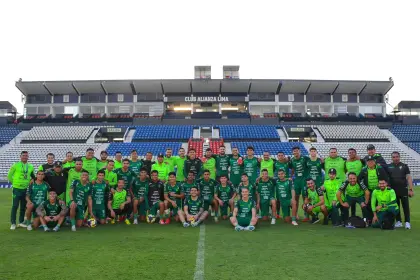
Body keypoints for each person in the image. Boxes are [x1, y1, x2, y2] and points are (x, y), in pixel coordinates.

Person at [8, 151, 35, 230]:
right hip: (16, 189)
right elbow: (9, 175)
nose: (25, 157)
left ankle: (21, 222)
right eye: (23, 155)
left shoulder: (30, 166)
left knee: (23, 206)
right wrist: (14, 183)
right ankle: (13, 223)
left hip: (25, 189)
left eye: (26, 156)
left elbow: (33, 176)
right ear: (20, 156)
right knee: (15, 206)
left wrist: (31, 180)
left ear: (28, 157)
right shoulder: (15, 165)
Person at [358, 156, 389, 223]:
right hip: (369, 190)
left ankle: (380, 219)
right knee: (368, 205)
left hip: (378, 190)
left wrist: (385, 187)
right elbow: (359, 179)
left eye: (372, 161)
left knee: (379, 205)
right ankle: (369, 220)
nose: (370, 163)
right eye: (368, 161)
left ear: (374, 162)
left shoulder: (380, 168)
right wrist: (364, 188)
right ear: (366, 162)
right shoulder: (364, 169)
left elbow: (386, 179)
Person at [387, 151, 413, 229]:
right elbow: (387, 178)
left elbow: (408, 178)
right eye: (394, 157)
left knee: (405, 206)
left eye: (397, 156)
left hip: (403, 189)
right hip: (393, 190)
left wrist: (411, 189)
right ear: (391, 158)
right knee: (396, 206)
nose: (395, 158)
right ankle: (398, 221)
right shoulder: (388, 166)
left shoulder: (405, 166)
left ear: (399, 157)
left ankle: (407, 222)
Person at [289, 146, 309, 221]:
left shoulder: (305, 158)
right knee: (296, 197)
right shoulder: (292, 160)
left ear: (299, 151)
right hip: (297, 180)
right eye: (294, 151)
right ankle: (295, 214)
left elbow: (310, 165)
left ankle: (306, 215)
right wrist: (291, 176)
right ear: (292, 152)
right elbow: (293, 169)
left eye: (297, 151)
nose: (295, 152)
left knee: (305, 197)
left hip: (304, 180)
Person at [346, 148, 365, 217]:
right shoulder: (347, 162)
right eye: (350, 152)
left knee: (362, 202)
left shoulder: (360, 161)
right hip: (351, 182)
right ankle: (352, 217)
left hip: (359, 183)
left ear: (356, 153)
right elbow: (345, 171)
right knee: (352, 201)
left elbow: (366, 166)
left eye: (353, 152)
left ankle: (365, 219)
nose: (351, 154)